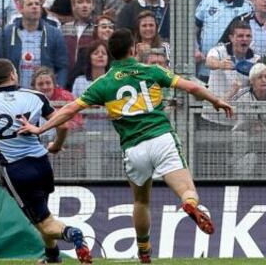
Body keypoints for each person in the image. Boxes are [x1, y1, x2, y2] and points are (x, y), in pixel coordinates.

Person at [18, 29, 235, 264]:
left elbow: (70, 109)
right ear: (133, 49)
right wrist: (216, 100)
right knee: (187, 190)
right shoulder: (152, 70)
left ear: (111, 53)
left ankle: (144, 251)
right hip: (162, 138)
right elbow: (192, 87)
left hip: (133, 148)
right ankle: (190, 205)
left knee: (141, 201)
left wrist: (40, 128)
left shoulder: (104, 83)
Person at [0, 59, 93, 265]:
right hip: (42, 164)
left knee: (44, 223)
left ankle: (73, 234)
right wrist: (55, 146)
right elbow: (63, 126)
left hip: (17, 170)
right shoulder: (35, 96)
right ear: (13, 75)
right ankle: (52, 258)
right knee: (44, 214)